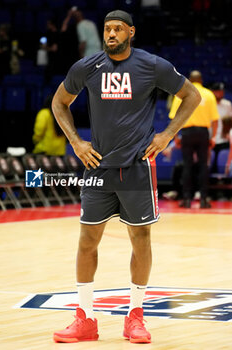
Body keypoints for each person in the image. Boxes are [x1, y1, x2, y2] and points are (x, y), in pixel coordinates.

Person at [52, 10, 201, 344]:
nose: (111, 34)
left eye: (118, 29)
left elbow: (192, 96)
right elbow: (59, 103)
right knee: (87, 240)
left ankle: (135, 317)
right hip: (98, 167)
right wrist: (76, 142)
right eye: (107, 29)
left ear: (130, 32)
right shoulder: (87, 67)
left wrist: (167, 135)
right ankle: (85, 318)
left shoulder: (151, 65)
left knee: (141, 239)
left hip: (136, 166)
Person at [169, 70, 219, 208]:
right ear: (201, 80)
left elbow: (174, 118)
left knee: (187, 166)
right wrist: (213, 137)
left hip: (187, 133)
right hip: (203, 133)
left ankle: (186, 199)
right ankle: (203, 199)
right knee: (203, 166)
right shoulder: (209, 94)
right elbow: (215, 120)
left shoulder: (181, 93)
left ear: (189, 80)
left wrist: (175, 137)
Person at [211, 82, 232, 172]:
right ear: (214, 92)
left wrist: (228, 133)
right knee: (211, 164)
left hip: (224, 139)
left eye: (222, 91)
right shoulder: (209, 104)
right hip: (211, 138)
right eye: (219, 91)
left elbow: (230, 121)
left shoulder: (227, 104)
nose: (221, 93)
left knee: (222, 161)